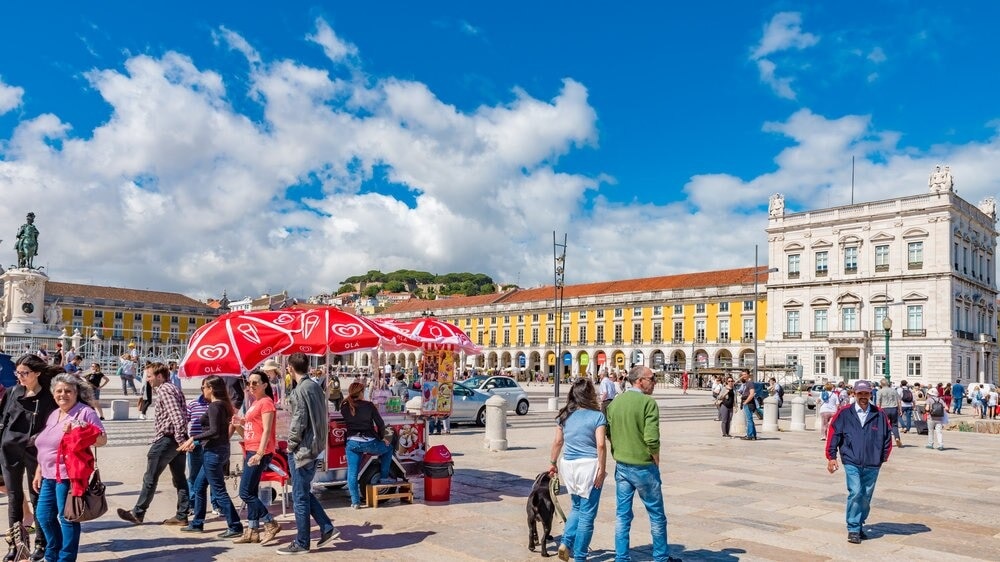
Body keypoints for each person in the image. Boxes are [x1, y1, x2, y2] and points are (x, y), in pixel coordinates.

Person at [31, 374, 107, 562]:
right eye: (59, 391)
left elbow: (102, 439)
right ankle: (52, 555)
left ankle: (65, 558)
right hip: (48, 475)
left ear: (76, 393)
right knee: (43, 516)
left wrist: (79, 430)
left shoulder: (85, 412)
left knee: (67, 517)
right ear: (53, 393)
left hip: (69, 476)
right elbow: (46, 446)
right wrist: (39, 470)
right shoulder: (54, 414)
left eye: (68, 391)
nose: (63, 394)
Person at [605, 366, 679, 562]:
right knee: (656, 515)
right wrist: (656, 458)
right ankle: (660, 557)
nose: (654, 382)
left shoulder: (615, 403)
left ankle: (621, 557)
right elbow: (651, 438)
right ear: (639, 381)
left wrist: (619, 449)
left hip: (622, 465)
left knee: (622, 515)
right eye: (651, 378)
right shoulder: (648, 403)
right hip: (644, 466)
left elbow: (608, 432)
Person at [0, 355, 59, 562]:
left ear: (37, 373)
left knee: (37, 497)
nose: (20, 376)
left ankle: (41, 543)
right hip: (9, 451)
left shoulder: (49, 397)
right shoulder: (12, 392)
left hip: (36, 453)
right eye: (17, 372)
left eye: (24, 373)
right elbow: (3, 420)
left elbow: (53, 426)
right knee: (14, 498)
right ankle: (16, 545)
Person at [117, 362, 191, 526]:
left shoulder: (165, 390)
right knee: (179, 478)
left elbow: (178, 416)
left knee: (150, 477)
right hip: (176, 439)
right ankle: (182, 515)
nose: (148, 379)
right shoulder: (174, 388)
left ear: (160, 376)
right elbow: (185, 415)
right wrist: (182, 439)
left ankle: (138, 513)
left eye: (149, 376)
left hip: (167, 439)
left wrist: (180, 439)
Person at [280, 353, 339, 555]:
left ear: (290, 368)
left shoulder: (299, 390)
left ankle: (302, 542)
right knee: (303, 491)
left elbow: (299, 420)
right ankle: (327, 527)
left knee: (299, 497)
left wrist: (290, 444)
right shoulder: (315, 387)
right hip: (316, 447)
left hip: (303, 449)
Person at [825, 380, 893, 544]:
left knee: (866, 496)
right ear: (854, 394)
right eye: (860, 393)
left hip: (873, 462)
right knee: (855, 491)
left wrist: (882, 456)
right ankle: (853, 528)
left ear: (870, 394)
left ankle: (860, 522)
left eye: (866, 393)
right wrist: (831, 456)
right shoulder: (844, 413)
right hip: (851, 459)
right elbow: (834, 434)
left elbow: (887, 438)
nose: (863, 396)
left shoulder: (879, 414)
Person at [546, 379, 607, 562]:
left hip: (569, 465)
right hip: (589, 466)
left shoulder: (564, 415)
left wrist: (552, 463)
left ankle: (566, 542)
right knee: (587, 514)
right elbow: (601, 445)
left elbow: (558, 442)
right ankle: (580, 556)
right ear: (590, 394)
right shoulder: (597, 416)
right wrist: (602, 470)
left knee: (577, 507)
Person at [177, 376, 242, 538]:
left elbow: (214, 431)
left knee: (219, 491)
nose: (202, 391)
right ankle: (197, 523)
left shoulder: (215, 406)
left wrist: (194, 438)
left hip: (213, 453)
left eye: (203, 388)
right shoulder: (223, 405)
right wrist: (197, 442)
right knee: (199, 487)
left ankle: (235, 525)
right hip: (218, 450)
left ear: (211, 389)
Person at [231, 370, 281, 545]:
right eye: (249, 383)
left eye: (255, 383)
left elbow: (267, 430)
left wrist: (260, 453)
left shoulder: (266, 403)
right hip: (251, 449)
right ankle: (252, 531)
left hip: (259, 451)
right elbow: (247, 433)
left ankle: (270, 522)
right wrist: (238, 424)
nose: (251, 386)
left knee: (244, 492)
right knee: (251, 491)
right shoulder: (254, 403)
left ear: (265, 385)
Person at [340, 381, 394, 509]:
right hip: (369, 441)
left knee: (352, 472)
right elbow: (380, 423)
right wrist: (383, 438)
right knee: (388, 448)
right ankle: (384, 477)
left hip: (352, 443)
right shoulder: (369, 405)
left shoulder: (345, 405)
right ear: (361, 392)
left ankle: (355, 502)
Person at [875, 379, 902, 447]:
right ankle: (897, 437)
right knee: (894, 425)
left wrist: (877, 411)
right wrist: (900, 410)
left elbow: (878, 402)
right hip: (894, 408)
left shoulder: (879, 392)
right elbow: (899, 401)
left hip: (884, 409)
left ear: (881, 384)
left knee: (884, 425)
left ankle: (885, 441)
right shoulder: (894, 391)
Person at [738, 371, 757, 441]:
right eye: (742, 374)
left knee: (749, 420)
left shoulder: (750, 383)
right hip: (747, 402)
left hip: (748, 403)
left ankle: (750, 435)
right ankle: (753, 435)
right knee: (750, 419)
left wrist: (745, 402)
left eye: (745, 374)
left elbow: (752, 394)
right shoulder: (746, 383)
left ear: (748, 375)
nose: (743, 376)